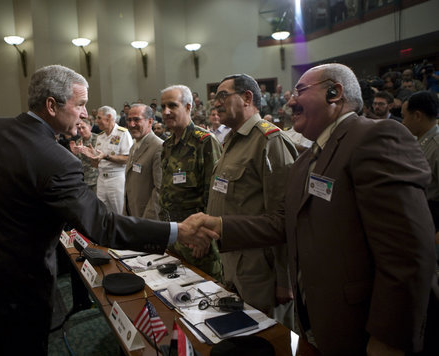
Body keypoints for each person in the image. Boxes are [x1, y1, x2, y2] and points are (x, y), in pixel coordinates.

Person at [0, 65, 210, 356]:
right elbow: (103, 226)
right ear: (51, 105)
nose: (86, 114)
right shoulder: (57, 159)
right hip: (19, 287)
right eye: (81, 104)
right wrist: (177, 231)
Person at [187, 63, 436, 355]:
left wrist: (390, 338)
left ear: (335, 93)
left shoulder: (375, 136)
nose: (291, 101)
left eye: (301, 91)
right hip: (320, 319)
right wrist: (220, 225)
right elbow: (283, 224)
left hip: (365, 326)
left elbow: (408, 253)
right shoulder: (308, 159)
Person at [208, 74, 297, 328]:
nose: (216, 104)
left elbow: (285, 217)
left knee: (269, 340)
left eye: (223, 96)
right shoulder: (232, 140)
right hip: (232, 261)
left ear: (247, 98)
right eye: (215, 98)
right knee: (243, 338)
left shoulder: (271, 141)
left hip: (262, 269)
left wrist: (285, 280)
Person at [159, 85, 223, 280]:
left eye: (172, 105)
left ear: (188, 107)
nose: (166, 112)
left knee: (206, 295)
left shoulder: (204, 142)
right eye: (162, 107)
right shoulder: (168, 145)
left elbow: (214, 195)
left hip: (197, 240)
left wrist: (204, 237)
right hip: (174, 235)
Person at [401, 91, 439, 262]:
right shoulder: (419, 140)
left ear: (417, 115)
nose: (403, 122)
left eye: (404, 116)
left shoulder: (436, 145)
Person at [83, 106, 133, 213]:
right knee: (102, 213)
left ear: (109, 117)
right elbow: (96, 164)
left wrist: (106, 156)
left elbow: (128, 159)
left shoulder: (122, 133)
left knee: (120, 213)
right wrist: (91, 155)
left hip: (116, 179)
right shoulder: (100, 136)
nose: (96, 121)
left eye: (99, 118)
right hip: (101, 178)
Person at [123, 104, 163, 219]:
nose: (131, 124)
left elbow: (159, 191)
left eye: (136, 120)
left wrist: (146, 221)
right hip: (132, 215)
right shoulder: (134, 145)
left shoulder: (158, 147)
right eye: (129, 120)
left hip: (146, 219)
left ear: (150, 122)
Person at [69, 118, 99, 194]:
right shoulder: (79, 141)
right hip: (84, 179)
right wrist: (73, 154)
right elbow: (78, 162)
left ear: (90, 127)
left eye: (83, 128)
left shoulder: (98, 139)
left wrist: (88, 153)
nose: (81, 131)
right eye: (79, 128)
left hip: (96, 179)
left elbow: (100, 161)